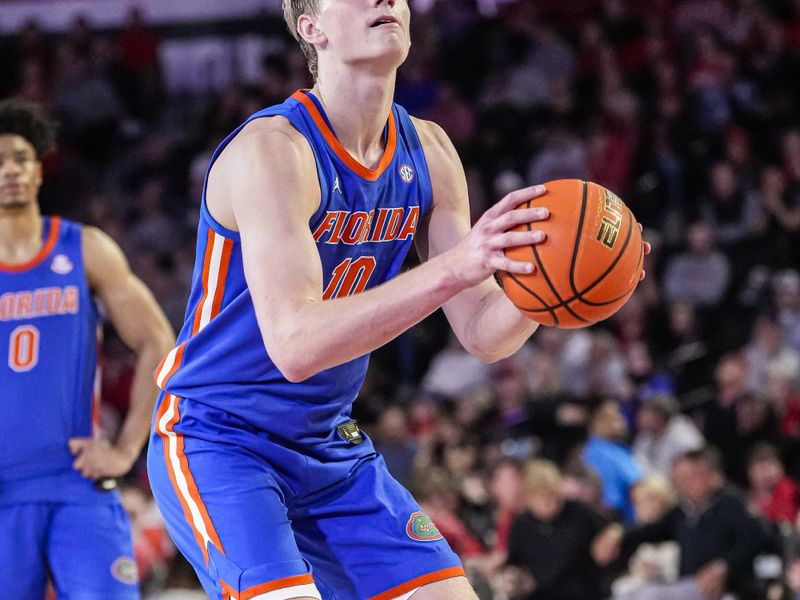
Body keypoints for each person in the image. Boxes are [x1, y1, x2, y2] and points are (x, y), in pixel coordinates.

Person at [147, 1, 650, 598]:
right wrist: (454, 268)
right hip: (220, 437)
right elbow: (296, 346)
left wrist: (547, 286)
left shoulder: (430, 152)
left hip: (326, 443)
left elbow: (483, 333)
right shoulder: (274, 152)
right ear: (311, 27)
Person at [0, 99, 174, 599]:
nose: (10, 170)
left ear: (38, 169)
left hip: (77, 481)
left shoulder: (84, 249)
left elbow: (156, 340)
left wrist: (126, 450)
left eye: (20, 157)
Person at [593, 447, 771, 600]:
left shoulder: (731, 502)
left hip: (730, 589)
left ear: (711, 475)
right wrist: (619, 533)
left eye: (689, 477)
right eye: (678, 479)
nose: (683, 485)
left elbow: (756, 537)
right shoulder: (683, 510)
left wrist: (721, 567)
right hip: (689, 587)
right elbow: (652, 530)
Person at [505, 459, 608, 600]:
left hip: (584, 594)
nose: (552, 504)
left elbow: (609, 532)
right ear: (529, 497)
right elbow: (515, 563)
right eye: (544, 498)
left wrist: (612, 537)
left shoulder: (579, 513)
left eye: (555, 496)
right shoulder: (522, 524)